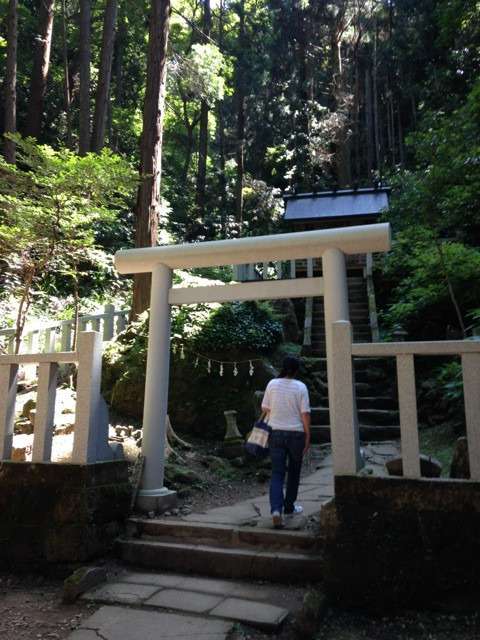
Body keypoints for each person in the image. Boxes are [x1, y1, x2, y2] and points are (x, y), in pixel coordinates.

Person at [261, 355, 311, 528]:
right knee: (294, 472)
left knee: (277, 473)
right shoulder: (301, 387)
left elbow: (265, 408)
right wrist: (308, 435)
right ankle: (289, 507)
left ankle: (276, 510)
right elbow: (305, 413)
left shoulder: (272, 384)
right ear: (296, 370)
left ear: (283, 368)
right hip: (296, 434)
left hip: (275, 433)